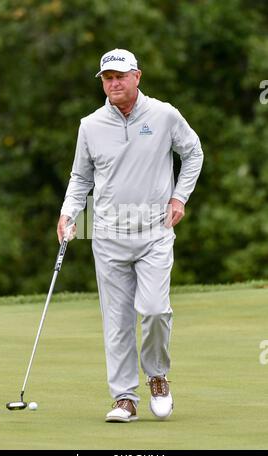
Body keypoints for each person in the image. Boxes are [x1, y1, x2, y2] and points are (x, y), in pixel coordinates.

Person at [57, 48, 203, 423]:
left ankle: (157, 376)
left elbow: (193, 153)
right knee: (117, 320)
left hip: (155, 231)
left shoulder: (164, 115)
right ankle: (124, 398)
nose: (114, 82)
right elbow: (80, 177)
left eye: (120, 75)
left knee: (154, 310)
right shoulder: (89, 125)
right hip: (107, 234)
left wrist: (179, 196)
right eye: (107, 78)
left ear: (137, 76)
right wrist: (68, 213)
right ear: (102, 82)